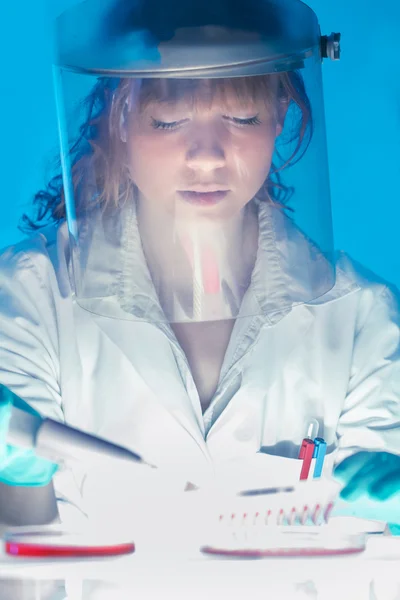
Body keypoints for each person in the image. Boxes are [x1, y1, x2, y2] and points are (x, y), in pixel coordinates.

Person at [0, 0, 399, 531]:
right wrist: (15, 479)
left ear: (281, 112)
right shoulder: (32, 297)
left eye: (243, 117)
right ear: (120, 115)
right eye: (168, 121)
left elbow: (374, 552)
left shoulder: (361, 317)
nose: (207, 156)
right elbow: (20, 553)